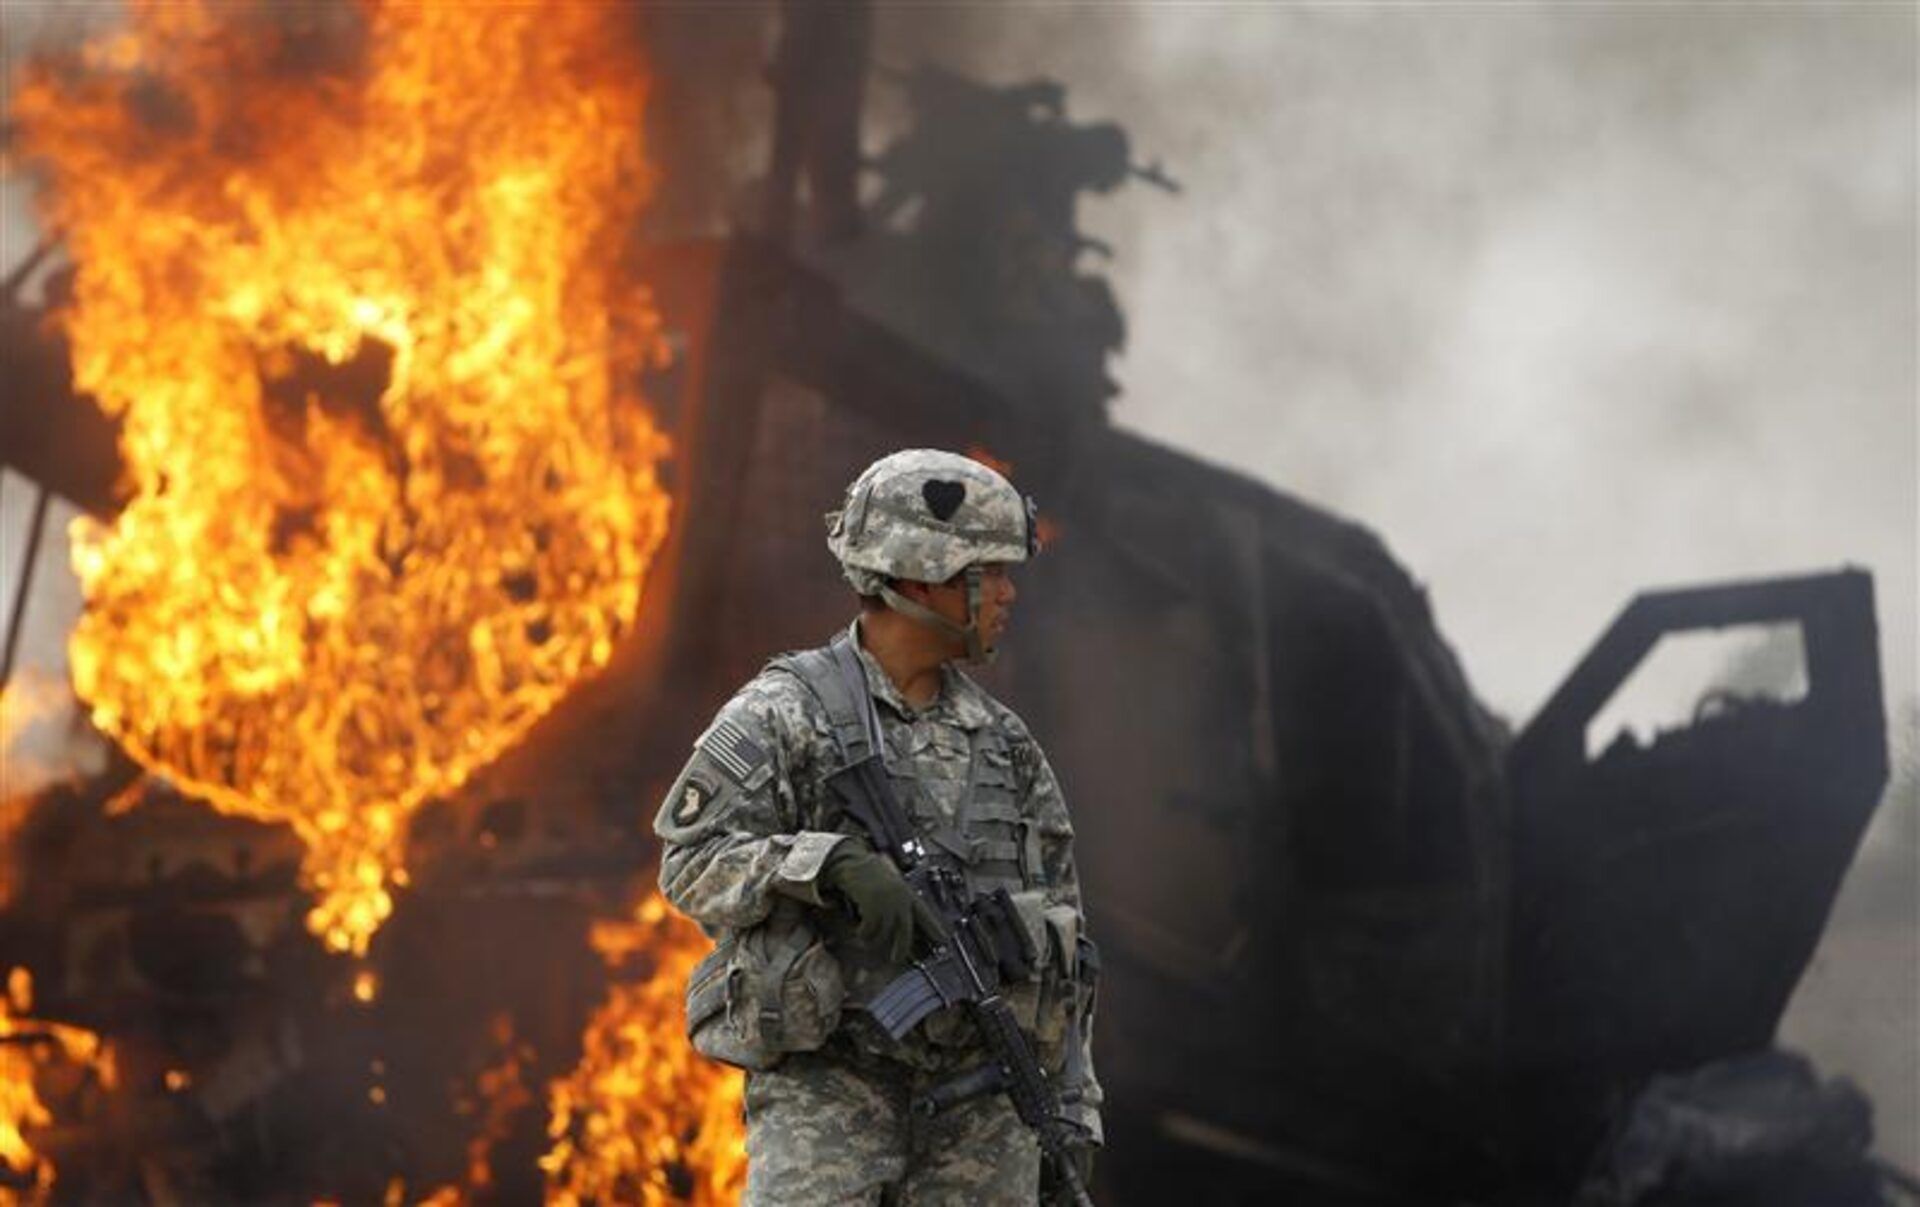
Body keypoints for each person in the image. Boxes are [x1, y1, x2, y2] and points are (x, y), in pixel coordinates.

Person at [655, 448, 1101, 1204]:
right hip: (834, 1092)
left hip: (982, 1102)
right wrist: (823, 865)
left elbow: (1065, 945)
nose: (1007, 593)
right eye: (988, 571)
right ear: (924, 571)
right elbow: (691, 861)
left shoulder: (1007, 746)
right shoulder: (787, 713)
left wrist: (1072, 1110)